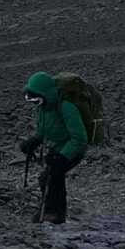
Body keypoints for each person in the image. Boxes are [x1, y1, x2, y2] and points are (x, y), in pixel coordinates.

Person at [19, 72, 89, 224]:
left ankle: (54, 213)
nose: (34, 102)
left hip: (73, 149)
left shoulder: (66, 108)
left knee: (52, 176)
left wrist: (63, 156)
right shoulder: (43, 108)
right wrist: (34, 141)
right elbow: (43, 131)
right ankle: (54, 212)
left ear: (46, 94)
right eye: (31, 99)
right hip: (57, 149)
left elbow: (80, 138)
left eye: (36, 98)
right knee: (48, 177)